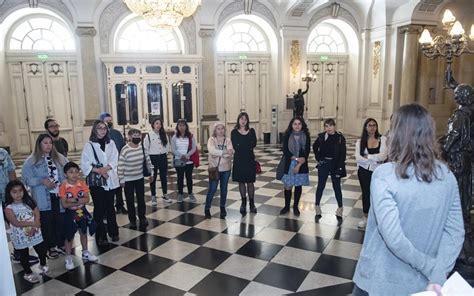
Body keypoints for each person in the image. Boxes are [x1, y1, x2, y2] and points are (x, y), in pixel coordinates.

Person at [352, 104, 465, 295]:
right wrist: (438, 272)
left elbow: (394, 238)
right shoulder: (446, 175)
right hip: (425, 284)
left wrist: (429, 266)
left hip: (380, 280)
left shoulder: (385, 175)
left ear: (397, 134)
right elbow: (455, 232)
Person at [22, 133, 67, 259]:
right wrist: (41, 181)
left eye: (50, 143)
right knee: (47, 222)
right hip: (43, 197)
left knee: (60, 220)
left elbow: (68, 171)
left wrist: (65, 181)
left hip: (59, 195)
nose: (48, 145)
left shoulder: (60, 158)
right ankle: (50, 247)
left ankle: (60, 243)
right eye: (45, 143)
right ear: (39, 144)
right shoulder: (31, 161)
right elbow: (26, 179)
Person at [80, 120, 120, 245]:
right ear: (94, 130)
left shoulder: (111, 143)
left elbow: (115, 158)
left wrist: (106, 169)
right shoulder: (89, 145)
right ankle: (101, 235)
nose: (102, 130)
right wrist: (99, 170)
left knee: (110, 207)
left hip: (110, 178)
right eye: (99, 128)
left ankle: (113, 232)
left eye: (104, 128)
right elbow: (85, 163)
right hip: (97, 182)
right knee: (99, 208)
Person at [4, 180, 48, 283]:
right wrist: (33, 224)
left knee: (41, 249)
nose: (18, 194)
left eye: (20, 191)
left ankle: (43, 263)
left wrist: (36, 223)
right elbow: (15, 223)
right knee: (24, 254)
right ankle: (28, 272)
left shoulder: (29, 202)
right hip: (20, 234)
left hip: (35, 231)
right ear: (9, 194)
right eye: (14, 192)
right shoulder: (9, 208)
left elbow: (36, 213)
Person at [59, 161, 97, 270]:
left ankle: (85, 251)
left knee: (83, 232)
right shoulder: (63, 186)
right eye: (71, 172)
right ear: (65, 174)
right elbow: (64, 204)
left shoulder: (82, 184)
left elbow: (87, 199)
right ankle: (68, 256)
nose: (74, 174)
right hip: (69, 213)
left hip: (81, 211)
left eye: (76, 172)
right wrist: (78, 200)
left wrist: (73, 200)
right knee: (69, 235)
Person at [355, 118, 387, 229]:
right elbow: (358, 158)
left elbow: (383, 156)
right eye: (370, 125)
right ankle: (365, 217)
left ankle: (378, 218)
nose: (372, 127)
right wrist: (374, 159)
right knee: (366, 194)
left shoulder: (382, 139)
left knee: (377, 195)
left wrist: (368, 157)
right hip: (363, 171)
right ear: (365, 127)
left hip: (378, 172)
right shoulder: (360, 141)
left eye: (374, 125)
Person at [118, 128, 153, 228]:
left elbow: (148, 161)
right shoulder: (125, 150)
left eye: (139, 136)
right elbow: (120, 165)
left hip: (139, 177)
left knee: (141, 199)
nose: (137, 138)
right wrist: (121, 179)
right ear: (129, 137)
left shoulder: (142, 148)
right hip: (128, 179)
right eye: (135, 136)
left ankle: (142, 217)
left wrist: (151, 173)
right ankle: (132, 219)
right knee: (130, 200)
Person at [312, 118, 346, 221]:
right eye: (326, 126)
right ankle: (317, 206)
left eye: (330, 126)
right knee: (321, 185)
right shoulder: (322, 136)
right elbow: (314, 146)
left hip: (335, 164)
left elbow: (343, 153)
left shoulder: (340, 137)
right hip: (324, 163)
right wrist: (318, 158)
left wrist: (340, 167)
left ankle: (340, 208)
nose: (329, 128)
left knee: (336, 186)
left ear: (334, 126)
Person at [279, 117, 311, 216]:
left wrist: (299, 165)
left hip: (301, 164)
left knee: (298, 185)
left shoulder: (306, 136)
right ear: (291, 125)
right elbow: (285, 151)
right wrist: (296, 159)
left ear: (302, 125)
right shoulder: (287, 135)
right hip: (290, 162)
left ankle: (296, 206)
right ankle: (287, 206)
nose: (297, 126)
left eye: (299, 124)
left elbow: (306, 153)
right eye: (295, 124)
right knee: (288, 186)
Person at [99, 112, 128, 215]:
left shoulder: (116, 133)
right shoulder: (99, 135)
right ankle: (108, 208)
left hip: (118, 163)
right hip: (105, 166)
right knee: (107, 188)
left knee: (118, 186)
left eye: (110, 121)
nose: (109, 122)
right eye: (107, 121)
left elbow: (123, 146)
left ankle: (120, 205)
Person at [204, 122, 234, 219]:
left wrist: (218, 153)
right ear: (215, 130)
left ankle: (222, 207)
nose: (221, 131)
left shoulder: (228, 140)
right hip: (214, 168)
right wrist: (224, 152)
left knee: (224, 189)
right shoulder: (211, 140)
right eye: (218, 129)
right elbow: (212, 151)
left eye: (222, 129)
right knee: (212, 189)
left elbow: (231, 153)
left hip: (226, 169)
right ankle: (207, 207)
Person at [231, 112, 257, 215]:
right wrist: (245, 144)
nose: (243, 121)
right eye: (241, 119)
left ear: (247, 121)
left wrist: (243, 145)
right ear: (238, 120)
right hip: (239, 159)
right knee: (241, 182)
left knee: (250, 182)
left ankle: (252, 203)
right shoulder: (234, 132)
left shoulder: (252, 131)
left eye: (245, 119)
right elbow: (235, 145)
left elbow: (253, 144)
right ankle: (243, 203)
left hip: (249, 159)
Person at [143, 117, 172, 205]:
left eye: (160, 123)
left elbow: (167, 146)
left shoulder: (164, 134)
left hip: (162, 157)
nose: (158, 125)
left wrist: (165, 153)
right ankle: (153, 196)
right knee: (153, 177)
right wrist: (148, 161)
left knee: (163, 176)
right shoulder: (148, 135)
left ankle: (165, 194)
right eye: (156, 123)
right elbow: (146, 149)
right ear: (153, 124)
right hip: (153, 158)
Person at [171, 119, 197, 203]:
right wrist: (181, 156)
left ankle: (190, 193)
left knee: (189, 177)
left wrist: (186, 155)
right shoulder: (174, 137)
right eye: (180, 125)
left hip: (189, 160)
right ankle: (180, 194)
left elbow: (194, 148)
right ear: (177, 127)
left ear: (186, 126)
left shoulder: (190, 136)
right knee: (180, 177)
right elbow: (173, 149)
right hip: (179, 160)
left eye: (183, 125)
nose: (182, 127)